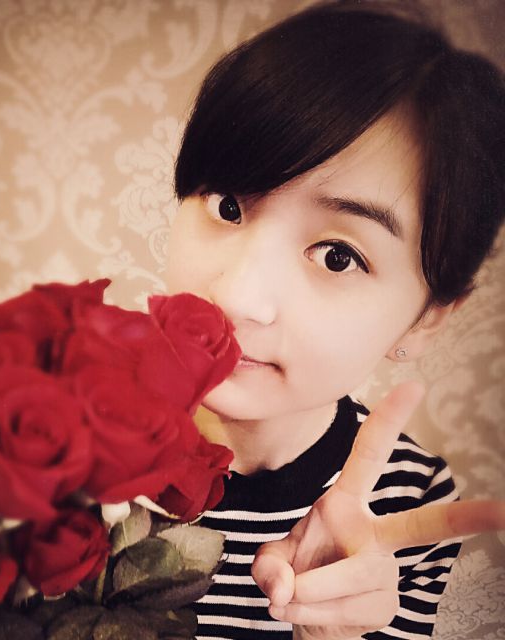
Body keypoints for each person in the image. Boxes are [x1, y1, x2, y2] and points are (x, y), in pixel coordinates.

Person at [163, 1, 505, 639]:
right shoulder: (48, 431)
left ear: (425, 321)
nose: (238, 298)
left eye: (338, 256)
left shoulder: (406, 504)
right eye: (228, 205)